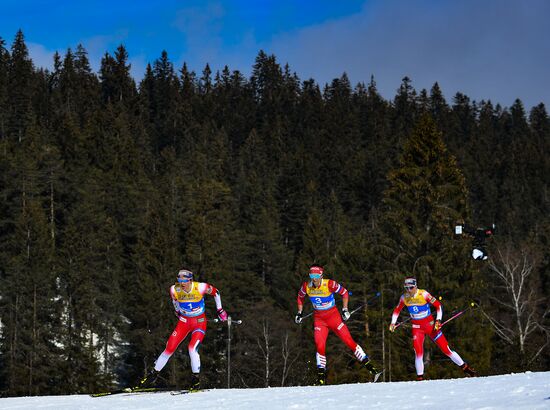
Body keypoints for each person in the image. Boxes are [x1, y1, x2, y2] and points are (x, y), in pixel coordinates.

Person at [136, 268, 228, 391]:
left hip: (199, 322)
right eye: (179, 280)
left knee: (191, 348)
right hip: (184, 322)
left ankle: (195, 380)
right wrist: (178, 312)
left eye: (184, 281)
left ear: (190, 280)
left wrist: (220, 310)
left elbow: (216, 293)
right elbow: (174, 301)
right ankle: (152, 375)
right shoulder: (174, 289)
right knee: (169, 348)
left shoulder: (200, 287)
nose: (182, 283)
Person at [295, 264, 381, 385]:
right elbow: (300, 297)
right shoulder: (306, 286)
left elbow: (344, 292)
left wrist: (345, 309)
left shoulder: (329, 284)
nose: (314, 279)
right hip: (319, 320)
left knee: (349, 342)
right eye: (311, 275)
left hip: (334, 318)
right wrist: (299, 313)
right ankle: (321, 378)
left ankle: (372, 368)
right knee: (320, 346)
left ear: (321, 275)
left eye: (316, 275)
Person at [388, 277, 477, 380]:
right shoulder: (404, 297)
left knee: (446, 349)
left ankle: (466, 368)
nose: (409, 290)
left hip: (430, 326)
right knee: (418, 352)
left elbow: (438, 306)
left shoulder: (424, 294)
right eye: (406, 288)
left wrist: (438, 321)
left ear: (416, 286)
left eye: (411, 288)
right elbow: (397, 310)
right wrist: (393, 323)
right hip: (417, 328)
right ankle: (420, 378)